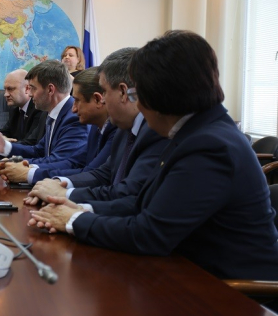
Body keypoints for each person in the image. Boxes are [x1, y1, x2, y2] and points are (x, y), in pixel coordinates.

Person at [29, 31, 278, 281]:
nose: (137, 106)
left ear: (160, 94)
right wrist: (79, 208)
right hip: (187, 273)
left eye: (138, 95)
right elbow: (140, 203)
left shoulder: (210, 146)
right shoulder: (194, 132)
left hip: (229, 291)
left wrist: (74, 220)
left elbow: (150, 233)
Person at [25, 48, 168, 205]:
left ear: (123, 92)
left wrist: (65, 197)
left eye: (104, 92)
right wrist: (57, 184)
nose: (103, 100)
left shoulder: (154, 131)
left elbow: (129, 194)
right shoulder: (123, 129)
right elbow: (102, 173)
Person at [0, 67, 117, 184]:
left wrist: (28, 173)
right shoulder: (94, 127)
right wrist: (19, 164)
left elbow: (92, 174)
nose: (74, 109)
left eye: (77, 100)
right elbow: (73, 162)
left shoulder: (77, 119)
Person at [0, 60, 87, 166]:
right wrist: (5, 147)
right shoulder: (53, 114)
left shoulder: (74, 117)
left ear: (50, 90)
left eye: (33, 88)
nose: (30, 94)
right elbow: (38, 151)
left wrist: (20, 167)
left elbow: (58, 162)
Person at [0, 69, 45, 159]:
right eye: (5, 89)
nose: (5, 94)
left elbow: (31, 143)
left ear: (27, 89)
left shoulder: (39, 109)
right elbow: (4, 132)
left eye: (10, 89)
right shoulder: (16, 109)